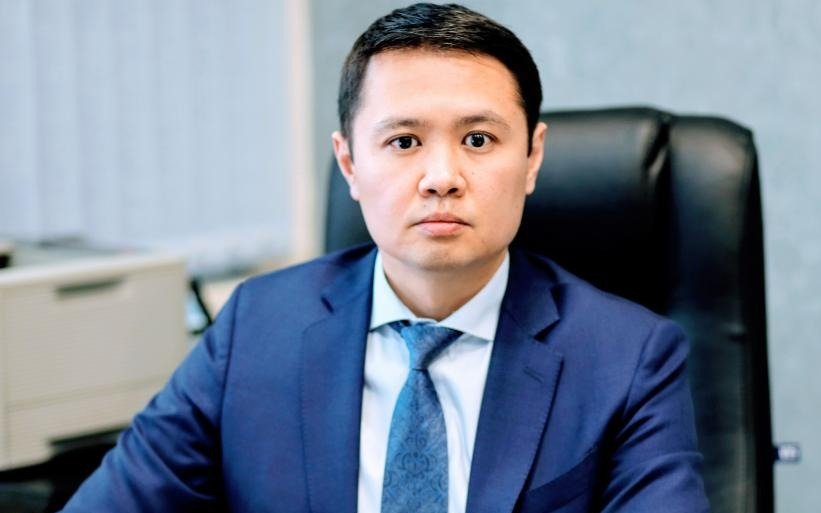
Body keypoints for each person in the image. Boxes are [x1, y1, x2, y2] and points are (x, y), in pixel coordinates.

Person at [61, 3, 710, 512]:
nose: (441, 177)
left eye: (478, 139)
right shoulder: (255, 327)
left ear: (532, 157)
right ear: (349, 162)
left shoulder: (629, 357)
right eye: (403, 141)